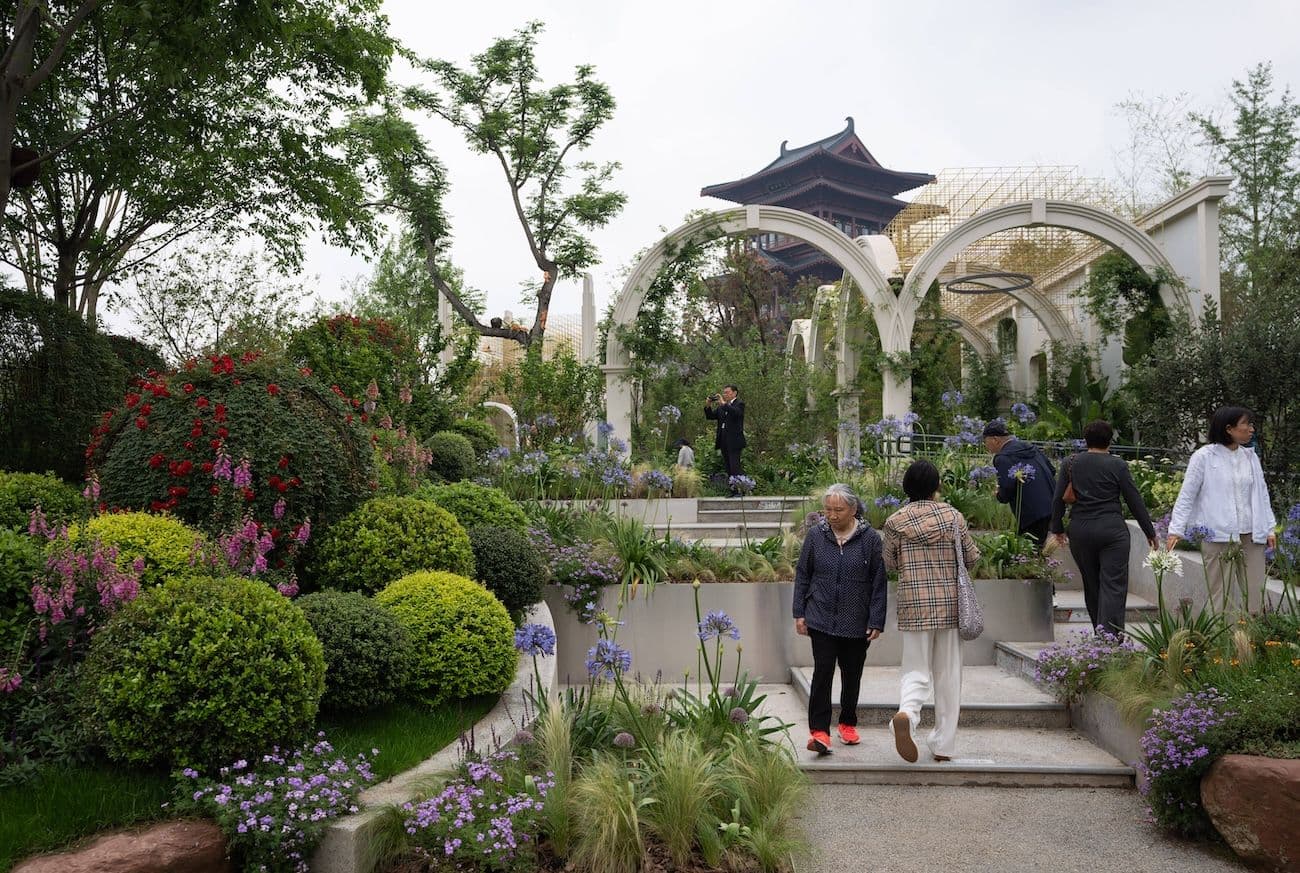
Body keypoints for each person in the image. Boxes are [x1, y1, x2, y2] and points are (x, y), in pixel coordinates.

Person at [883, 459, 980, 764]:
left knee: (915, 669)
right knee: (948, 674)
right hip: (951, 606)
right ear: (937, 486)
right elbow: (972, 557)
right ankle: (943, 745)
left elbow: (889, 564)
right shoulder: (953, 517)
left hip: (914, 605)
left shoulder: (894, 522)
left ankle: (907, 714)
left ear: (906, 488)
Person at [792, 483, 888, 756]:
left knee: (852, 673)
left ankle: (847, 722)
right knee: (823, 672)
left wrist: (876, 619)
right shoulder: (815, 536)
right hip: (820, 616)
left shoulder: (870, 540)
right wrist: (799, 612)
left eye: (838, 510)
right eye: (828, 510)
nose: (831, 515)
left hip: (856, 620)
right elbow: (803, 574)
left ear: (853, 509)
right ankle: (819, 732)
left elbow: (878, 582)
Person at [1049, 420, 1157, 634]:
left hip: (1081, 530)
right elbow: (1134, 499)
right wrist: (1149, 531)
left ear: (1085, 440)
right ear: (1110, 441)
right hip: (1112, 531)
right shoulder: (1117, 465)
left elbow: (1057, 499)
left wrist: (1058, 528)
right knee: (1113, 585)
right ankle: (1109, 638)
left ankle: (1100, 633)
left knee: (1092, 584)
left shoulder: (1071, 463)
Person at [1167, 405, 1277, 613]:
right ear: (1229, 428)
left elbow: (1261, 494)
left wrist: (1270, 528)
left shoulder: (1250, 457)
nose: (1251, 429)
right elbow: (1187, 494)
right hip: (1218, 536)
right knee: (1220, 597)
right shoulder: (1204, 457)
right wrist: (1176, 529)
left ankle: (1252, 642)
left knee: (1255, 595)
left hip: (1250, 536)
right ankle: (1223, 643)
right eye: (1246, 424)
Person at [984, 420, 1057, 546]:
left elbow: (1006, 489)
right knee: (1036, 545)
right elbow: (1052, 470)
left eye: (985, 441)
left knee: (1028, 549)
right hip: (1051, 503)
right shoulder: (1030, 447)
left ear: (995, 439)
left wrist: (998, 494)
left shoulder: (1002, 458)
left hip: (1032, 511)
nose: (986, 446)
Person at [704, 384, 746, 495]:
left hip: (735, 441)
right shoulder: (722, 407)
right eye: (724, 393)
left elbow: (736, 413)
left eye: (727, 392)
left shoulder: (739, 404)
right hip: (723, 441)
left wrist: (723, 404)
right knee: (728, 467)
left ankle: (740, 490)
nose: (725, 395)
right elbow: (711, 416)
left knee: (734, 466)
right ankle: (732, 490)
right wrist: (708, 405)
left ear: (734, 393)